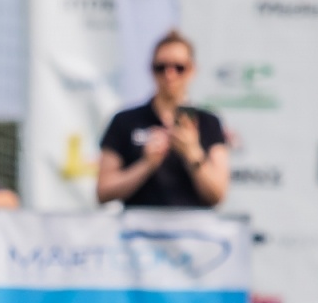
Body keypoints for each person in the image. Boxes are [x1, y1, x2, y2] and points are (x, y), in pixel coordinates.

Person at [96, 30, 230, 208]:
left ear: (192, 70)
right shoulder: (125, 120)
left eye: (179, 67)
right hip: (139, 231)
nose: (170, 74)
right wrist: (146, 164)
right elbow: (103, 191)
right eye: (161, 67)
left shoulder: (208, 122)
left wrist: (192, 153)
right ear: (151, 69)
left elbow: (218, 194)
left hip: (193, 231)